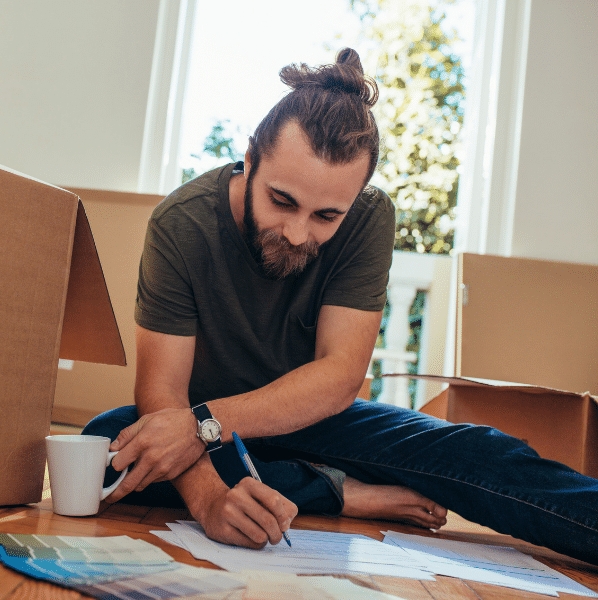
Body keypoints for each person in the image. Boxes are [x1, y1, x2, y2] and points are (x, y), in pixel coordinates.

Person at [83, 48, 598, 565]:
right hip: (199, 431)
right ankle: (344, 493)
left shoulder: (370, 218)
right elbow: (161, 393)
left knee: (478, 451)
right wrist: (207, 496)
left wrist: (203, 424)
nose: (298, 232)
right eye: (281, 200)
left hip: (304, 420)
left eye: (326, 215)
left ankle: (312, 485)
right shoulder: (181, 223)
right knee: (105, 440)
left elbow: (339, 375)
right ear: (252, 157)